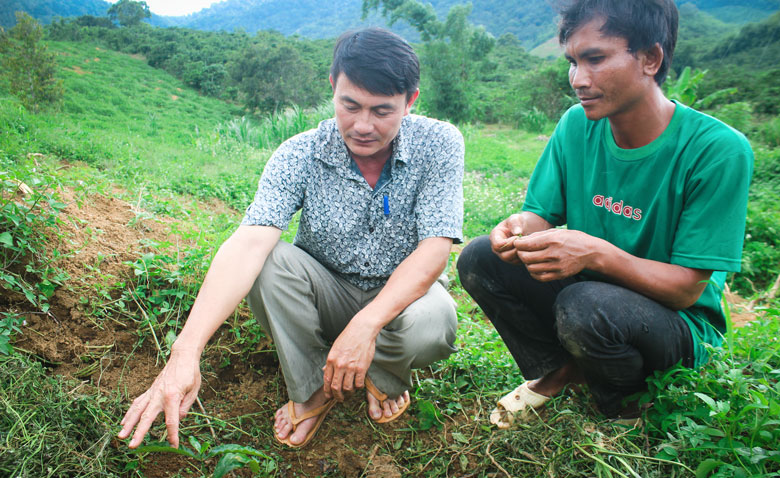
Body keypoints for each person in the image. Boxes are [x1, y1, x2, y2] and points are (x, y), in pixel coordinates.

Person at [118, 27, 464, 448]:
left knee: (435, 323)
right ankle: (313, 386)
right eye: (349, 105)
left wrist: (366, 325)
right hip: (325, 293)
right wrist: (185, 351)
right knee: (266, 261)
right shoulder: (299, 152)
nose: (362, 125)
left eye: (382, 111)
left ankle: (380, 373)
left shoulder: (440, 144)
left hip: (401, 300)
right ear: (332, 88)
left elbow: (434, 251)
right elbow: (247, 244)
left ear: (410, 101)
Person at [457, 0, 752, 427]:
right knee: (480, 257)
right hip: (593, 301)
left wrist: (596, 255)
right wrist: (520, 228)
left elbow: (687, 289)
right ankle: (560, 370)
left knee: (585, 304)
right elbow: (540, 213)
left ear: (651, 58)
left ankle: (626, 405)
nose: (578, 79)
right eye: (573, 62)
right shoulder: (577, 126)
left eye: (595, 59)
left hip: (676, 325)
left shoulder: (716, 151)